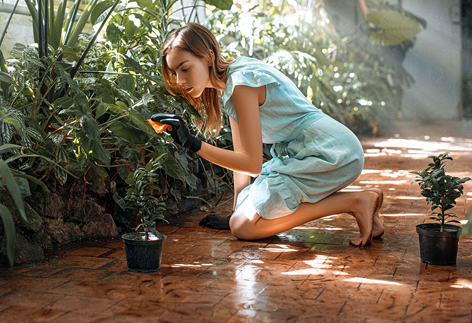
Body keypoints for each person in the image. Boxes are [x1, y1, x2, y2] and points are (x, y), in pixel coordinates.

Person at [151, 23, 383, 246]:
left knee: (243, 228)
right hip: (311, 152)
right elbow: (240, 157)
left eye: (185, 68)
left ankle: (355, 202)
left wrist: (193, 144)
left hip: (329, 151)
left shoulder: (241, 84)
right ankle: (368, 211)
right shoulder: (233, 84)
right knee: (239, 219)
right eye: (174, 72)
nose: (180, 81)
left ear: (208, 57)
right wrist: (236, 211)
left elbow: (251, 165)